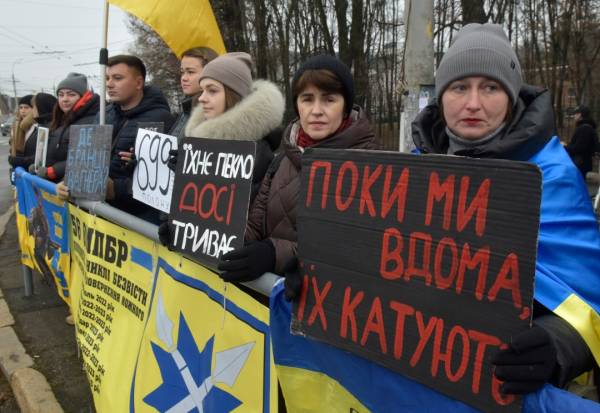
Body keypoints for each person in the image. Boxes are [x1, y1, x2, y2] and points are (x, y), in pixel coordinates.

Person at [409, 23, 600, 396]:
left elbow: (589, 301)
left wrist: (554, 344)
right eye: (459, 87)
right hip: (420, 376)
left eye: (490, 87)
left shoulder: (552, 176)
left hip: (509, 391)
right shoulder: (413, 168)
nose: (473, 103)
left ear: (511, 98)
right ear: (441, 97)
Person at [217, 54, 378, 283]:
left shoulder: (374, 166)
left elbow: (358, 247)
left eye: (329, 99)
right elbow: (253, 226)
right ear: (297, 106)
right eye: (307, 99)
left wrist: (275, 254)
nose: (316, 110)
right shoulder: (281, 161)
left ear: (345, 107)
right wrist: (193, 233)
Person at [158, 52, 284, 246]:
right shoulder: (198, 145)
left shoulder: (259, 154)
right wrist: (176, 222)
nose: (202, 98)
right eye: (202, 90)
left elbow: (250, 223)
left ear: (234, 94)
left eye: (212, 91)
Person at [103, 55, 174, 222]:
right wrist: (69, 180)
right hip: (98, 213)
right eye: (107, 78)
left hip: (136, 220)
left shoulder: (161, 119)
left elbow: (161, 183)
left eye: (117, 78)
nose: (109, 84)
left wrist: (115, 189)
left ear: (138, 83)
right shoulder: (104, 114)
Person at [33, 73, 100, 183]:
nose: (64, 99)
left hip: (71, 185)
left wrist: (53, 171)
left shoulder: (91, 121)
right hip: (56, 184)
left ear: (83, 97)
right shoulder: (62, 119)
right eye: (61, 95)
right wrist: (39, 166)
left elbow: (85, 158)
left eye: (71, 95)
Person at [169, 47, 218, 139]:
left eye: (190, 72)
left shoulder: (212, 113)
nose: (183, 78)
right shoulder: (187, 107)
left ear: (210, 73)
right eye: (182, 72)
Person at [8, 93, 57, 171]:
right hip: (23, 168)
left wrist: (19, 160)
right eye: (21, 107)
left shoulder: (38, 126)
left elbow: (44, 155)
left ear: (41, 108)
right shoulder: (16, 125)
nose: (23, 111)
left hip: (34, 169)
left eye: (26, 107)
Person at [566, 105, 598, 178]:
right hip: (582, 163)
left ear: (580, 115)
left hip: (580, 164)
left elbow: (579, 148)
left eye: (575, 114)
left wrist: (565, 147)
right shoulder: (586, 127)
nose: (574, 116)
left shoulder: (585, 129)